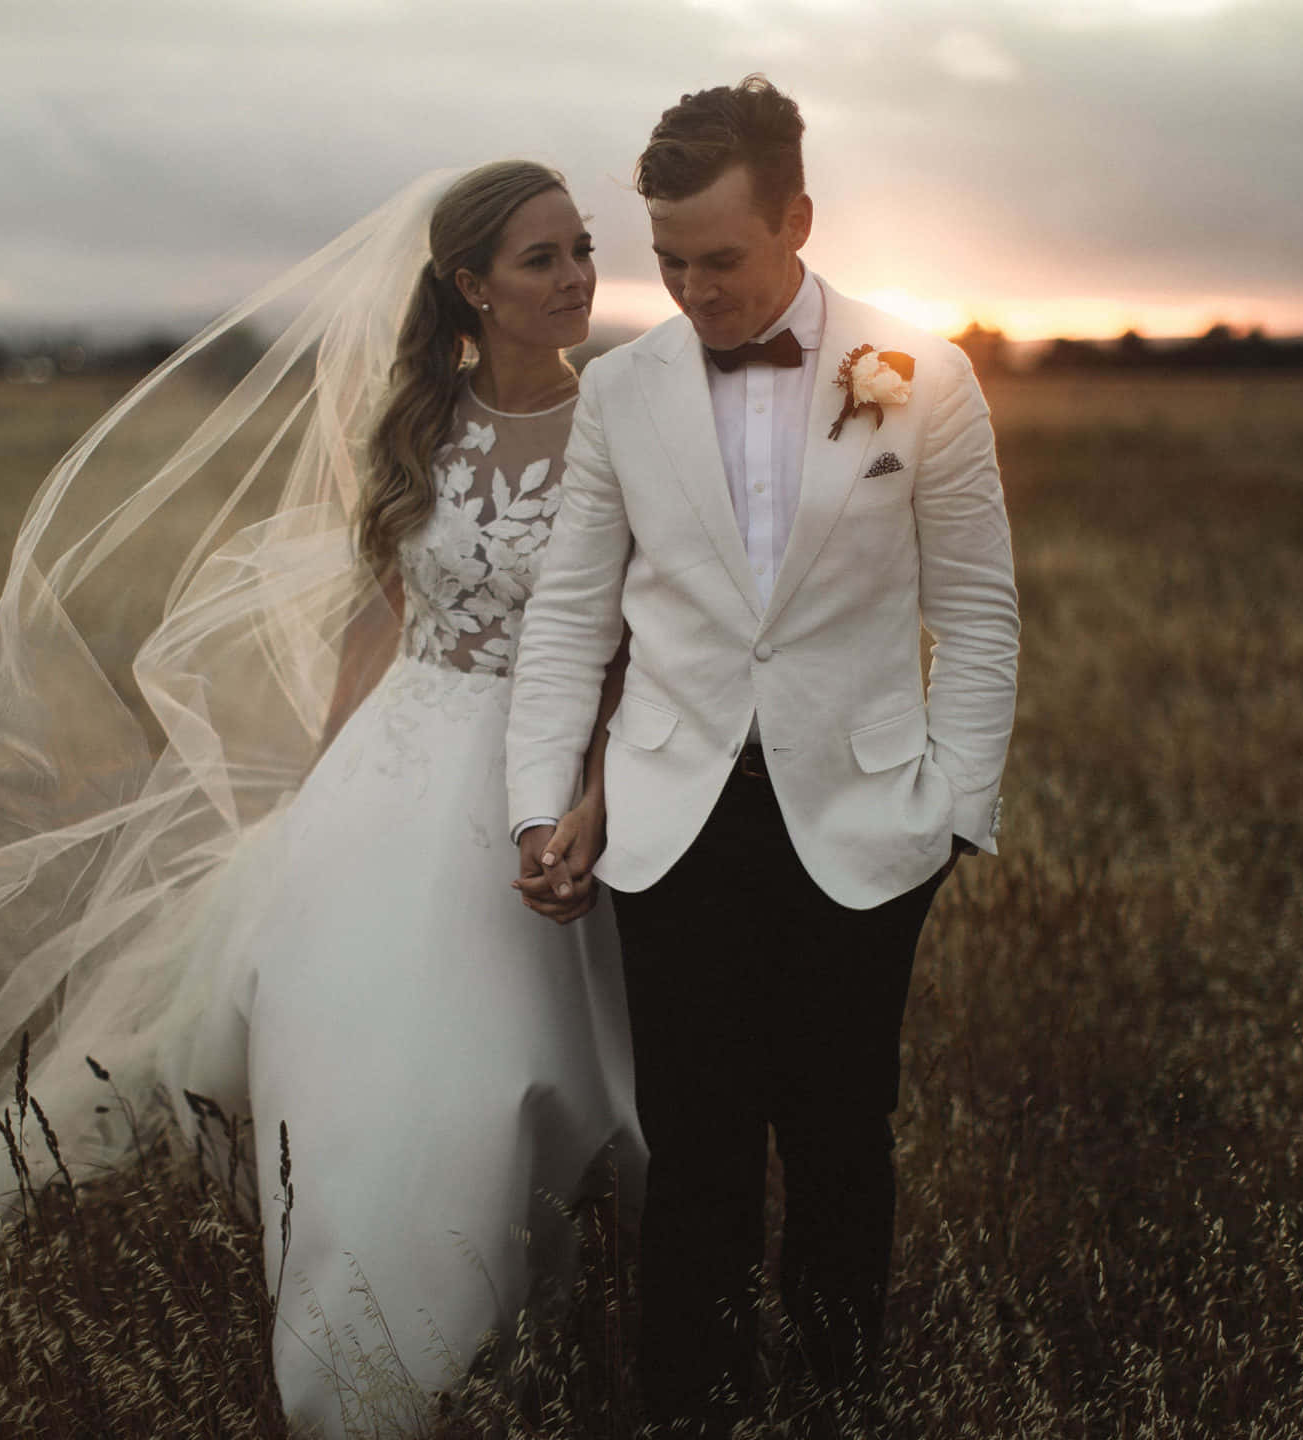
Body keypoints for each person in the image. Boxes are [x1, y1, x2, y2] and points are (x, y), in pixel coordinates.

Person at [0, 161, 641, 1440]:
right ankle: (359, 1355)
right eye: (543, 258)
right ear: (470, 286)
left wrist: (587, 797)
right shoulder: (423, 419)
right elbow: (378, 620)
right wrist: (319, 795)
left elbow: (626, 645)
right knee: (360, 1060)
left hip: (535, 780)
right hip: (394, 766)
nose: (578, 276)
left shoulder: (627, 428)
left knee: (500, 1066)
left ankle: (485, 1330)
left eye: (584, 248)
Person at [506, 79, 1020, 1434]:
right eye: (667, 262)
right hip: (671, 824)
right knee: (698, 1155)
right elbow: (570, 615)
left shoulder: (924, 373)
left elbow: (975, 611)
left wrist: (957, 811)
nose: (692, 291)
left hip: (868, 822)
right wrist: (534, 810)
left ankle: (841, 1399)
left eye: (720, 260)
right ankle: (696, 1405)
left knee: (844, 1142)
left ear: (798, 219)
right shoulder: (622, 390)